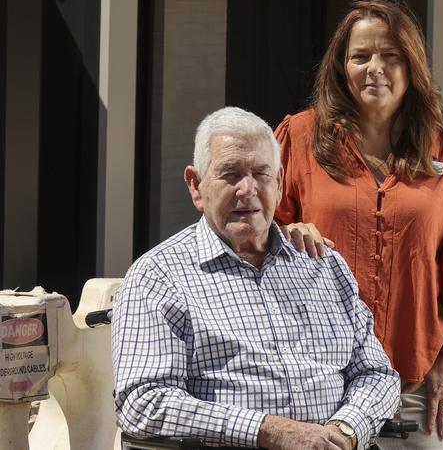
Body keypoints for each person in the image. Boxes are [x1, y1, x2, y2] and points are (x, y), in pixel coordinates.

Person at [275, 0, 443, 449]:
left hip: (415, 385)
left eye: (390, 55)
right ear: (341, 66)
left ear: (413, 64)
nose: (375, 69)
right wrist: (286, 233)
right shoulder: (299, 139)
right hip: (317, 385)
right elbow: (250, 242)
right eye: (360, 56)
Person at [112, 107, 400, 450]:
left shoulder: (323, 265)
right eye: (230, 174)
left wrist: (344, 431)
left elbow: (376, 374)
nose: (247, 189)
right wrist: (267, 431)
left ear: (278, 183)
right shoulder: (158, 276)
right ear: (196, 185)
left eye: (261, 174)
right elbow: (143, 402)